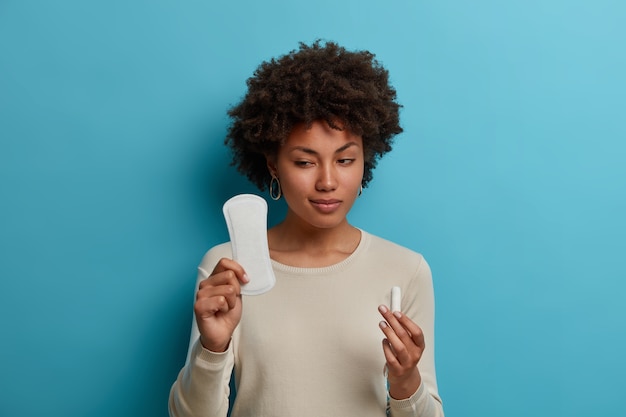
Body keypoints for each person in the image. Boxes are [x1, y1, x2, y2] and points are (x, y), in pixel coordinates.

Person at [169, 40, 444, 417]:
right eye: (304, 162)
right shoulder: (229, 267)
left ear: (366, 159)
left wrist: (406, 381)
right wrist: (212, 349)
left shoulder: (406, 270)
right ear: (272, 165)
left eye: (345, 159)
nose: (328, 181)